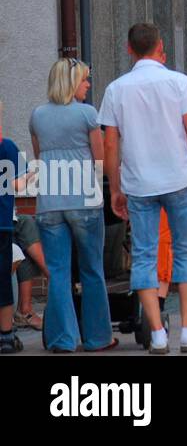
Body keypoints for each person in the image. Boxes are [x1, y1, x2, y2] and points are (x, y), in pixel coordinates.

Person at [101, 23, 187, 354]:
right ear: (160, 48)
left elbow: (110, 145)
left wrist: (115, 188)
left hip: (139, 184)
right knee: (186, 252)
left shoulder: (116, 89)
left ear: (129, 49)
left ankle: (156, 333)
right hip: (180, 180)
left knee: (143, 256)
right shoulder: (178, 82)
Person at [30, 57, 115, 352]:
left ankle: (63, 340)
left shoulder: (37, 115)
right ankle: (97, 338)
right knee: (92, 270)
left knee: (58, 272)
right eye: (84, 80)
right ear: (71, 83)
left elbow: (40, 157)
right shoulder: (87, 114)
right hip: (84, 201)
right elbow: (100, 160)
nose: (88, 85)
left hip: (49, 203)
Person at [1, 100, 26, 353]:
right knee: (3, 280)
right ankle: (6, 336)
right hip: (2, 224)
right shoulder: (6, 146)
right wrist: (30, 174)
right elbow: (18, 186)